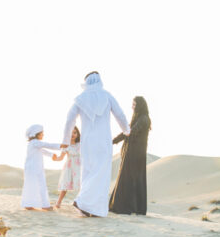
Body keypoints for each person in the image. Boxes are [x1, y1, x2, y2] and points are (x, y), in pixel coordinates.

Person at [62, 71, 130, 217]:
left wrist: (65, 140)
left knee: (88, 172)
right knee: (102, 173)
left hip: (87, 142)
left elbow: (69, 120)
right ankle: (84, 202)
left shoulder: (80, 99)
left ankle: (90, 208)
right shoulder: (107, 96)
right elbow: (120, 114)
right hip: (103, 141)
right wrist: (126, 130)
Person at [109, 96, 151, 215]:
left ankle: (130, 207)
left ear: (140, 105)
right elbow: (127, 131)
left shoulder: (144, 119)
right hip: (131, 153)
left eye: (134, 104)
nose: (132, 107)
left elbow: (130, 132)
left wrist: (116, 139)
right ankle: (126, 207)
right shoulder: (138, 118)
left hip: (136, 154)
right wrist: (113, 141)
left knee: (131, 179)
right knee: (126, 178)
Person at [21, 124, 61, 210]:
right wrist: (61, 146)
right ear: (37, 134)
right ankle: (45, 205)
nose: (43, 135)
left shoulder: (33, 143)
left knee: (31, 185)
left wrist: (51, 155)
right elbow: (48, 145)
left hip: (31, 169)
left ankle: (28, 204)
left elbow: (43, 151)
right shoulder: (35, 142)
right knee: (40, 185)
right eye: (42, 133)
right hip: (35, 169)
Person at [52, 126, 81, 208]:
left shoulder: (80, 144)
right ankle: (58, 202)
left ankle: (80, 202)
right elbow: (61, 157)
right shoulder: (66, 145)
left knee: (81, 184)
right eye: (71, 132)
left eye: (75, 132)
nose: (73, 134)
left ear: (78, 134)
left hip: (79, 167)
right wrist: (54, 158)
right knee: (65, 185)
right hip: (69, 167)